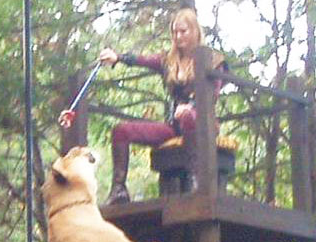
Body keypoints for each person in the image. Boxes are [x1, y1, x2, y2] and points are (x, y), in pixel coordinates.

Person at [59, 7, 227, 204]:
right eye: (175, 32)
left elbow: (212, 94)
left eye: (183, 31)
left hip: (202, 124)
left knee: (188, 116)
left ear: (195, 31)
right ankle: (119, 189)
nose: (178, 36)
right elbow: (142, 60)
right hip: (175, 127)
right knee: (121, 131)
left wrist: (191, 107)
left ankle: (195, 180)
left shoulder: (214, 60)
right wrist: (118, 57)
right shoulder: (169, 60)